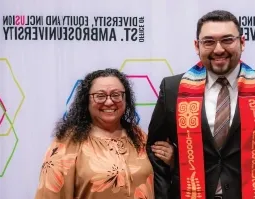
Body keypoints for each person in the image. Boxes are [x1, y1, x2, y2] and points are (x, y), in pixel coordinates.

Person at [146, 10, 255, 199]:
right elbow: (156, 149)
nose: (219, 49)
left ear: (242, 42)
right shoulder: (173, 88)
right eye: (209, 42)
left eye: (227, 40)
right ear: (197, 46)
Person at [34, 68, 174, 199]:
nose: (109, 101)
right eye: (100, 96)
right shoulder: (68, 143)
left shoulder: (138, 136)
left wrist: (171, 161)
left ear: (126, 99)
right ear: (86, 101)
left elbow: (160, 180)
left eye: (116, 95)